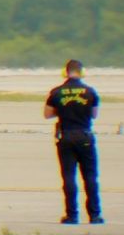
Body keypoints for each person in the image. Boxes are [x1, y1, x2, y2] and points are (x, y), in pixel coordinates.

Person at [44, 59, 104, 225]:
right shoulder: (90, 92)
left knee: (69, 177)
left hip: (66, 136)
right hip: (85, 135)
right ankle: (95, 214)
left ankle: (72, 215)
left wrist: (63, 110)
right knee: (90, 177)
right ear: (82, 72)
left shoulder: (56, 92)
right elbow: (94, 115)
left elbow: (47, 114)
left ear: (65, 72)